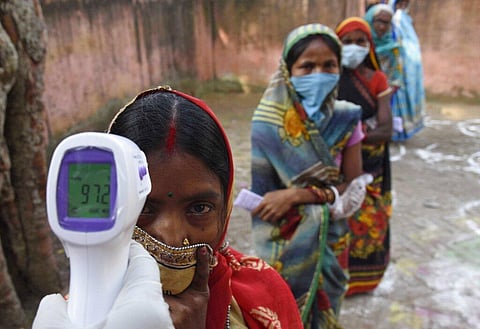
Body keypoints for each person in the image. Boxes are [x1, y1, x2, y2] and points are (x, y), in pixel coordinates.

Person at [34, 87, 303, 329]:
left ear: (225, 208)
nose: (172, 237)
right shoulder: (77, 318)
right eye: (144, 207)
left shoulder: (263, 295)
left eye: (199, 208)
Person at [250, 23, 371, 328]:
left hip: (332, 236)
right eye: (307, 66)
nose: (319, 74)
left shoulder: (348, 117)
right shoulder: (267, 124)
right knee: (285, 311)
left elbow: (351, 185)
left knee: (328, 307)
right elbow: (264, 199)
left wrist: (298, 194)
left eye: (328, 65)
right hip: (285, 239)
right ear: (288, 71)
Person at [335, 17, 393, 296]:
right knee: (339, 217)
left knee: (369, 221)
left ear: (369, 46)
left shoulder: (377, 78)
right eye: (347, 41)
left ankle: (364, 281)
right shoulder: (329, 78)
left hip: (371, 165)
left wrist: (350, 137)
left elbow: (386, 129)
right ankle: (336, 279)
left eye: (361, 41)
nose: (354, 47)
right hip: (336, 165)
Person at [364, 4, 408, 140]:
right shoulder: (360, 44)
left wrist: (383, 93)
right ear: (370, 20)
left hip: (384, 97)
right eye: (379, 22)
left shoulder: (393, 49)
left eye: (387, 23)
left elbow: (396, 77)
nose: (382, 27)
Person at [388, 0, 426, 141]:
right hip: (400, 67)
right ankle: (394, 132)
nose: (403, 6)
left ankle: (400, 131)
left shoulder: (403, 18)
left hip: (408, 67)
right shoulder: (397, 19)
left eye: (405, 3)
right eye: (401, 3)